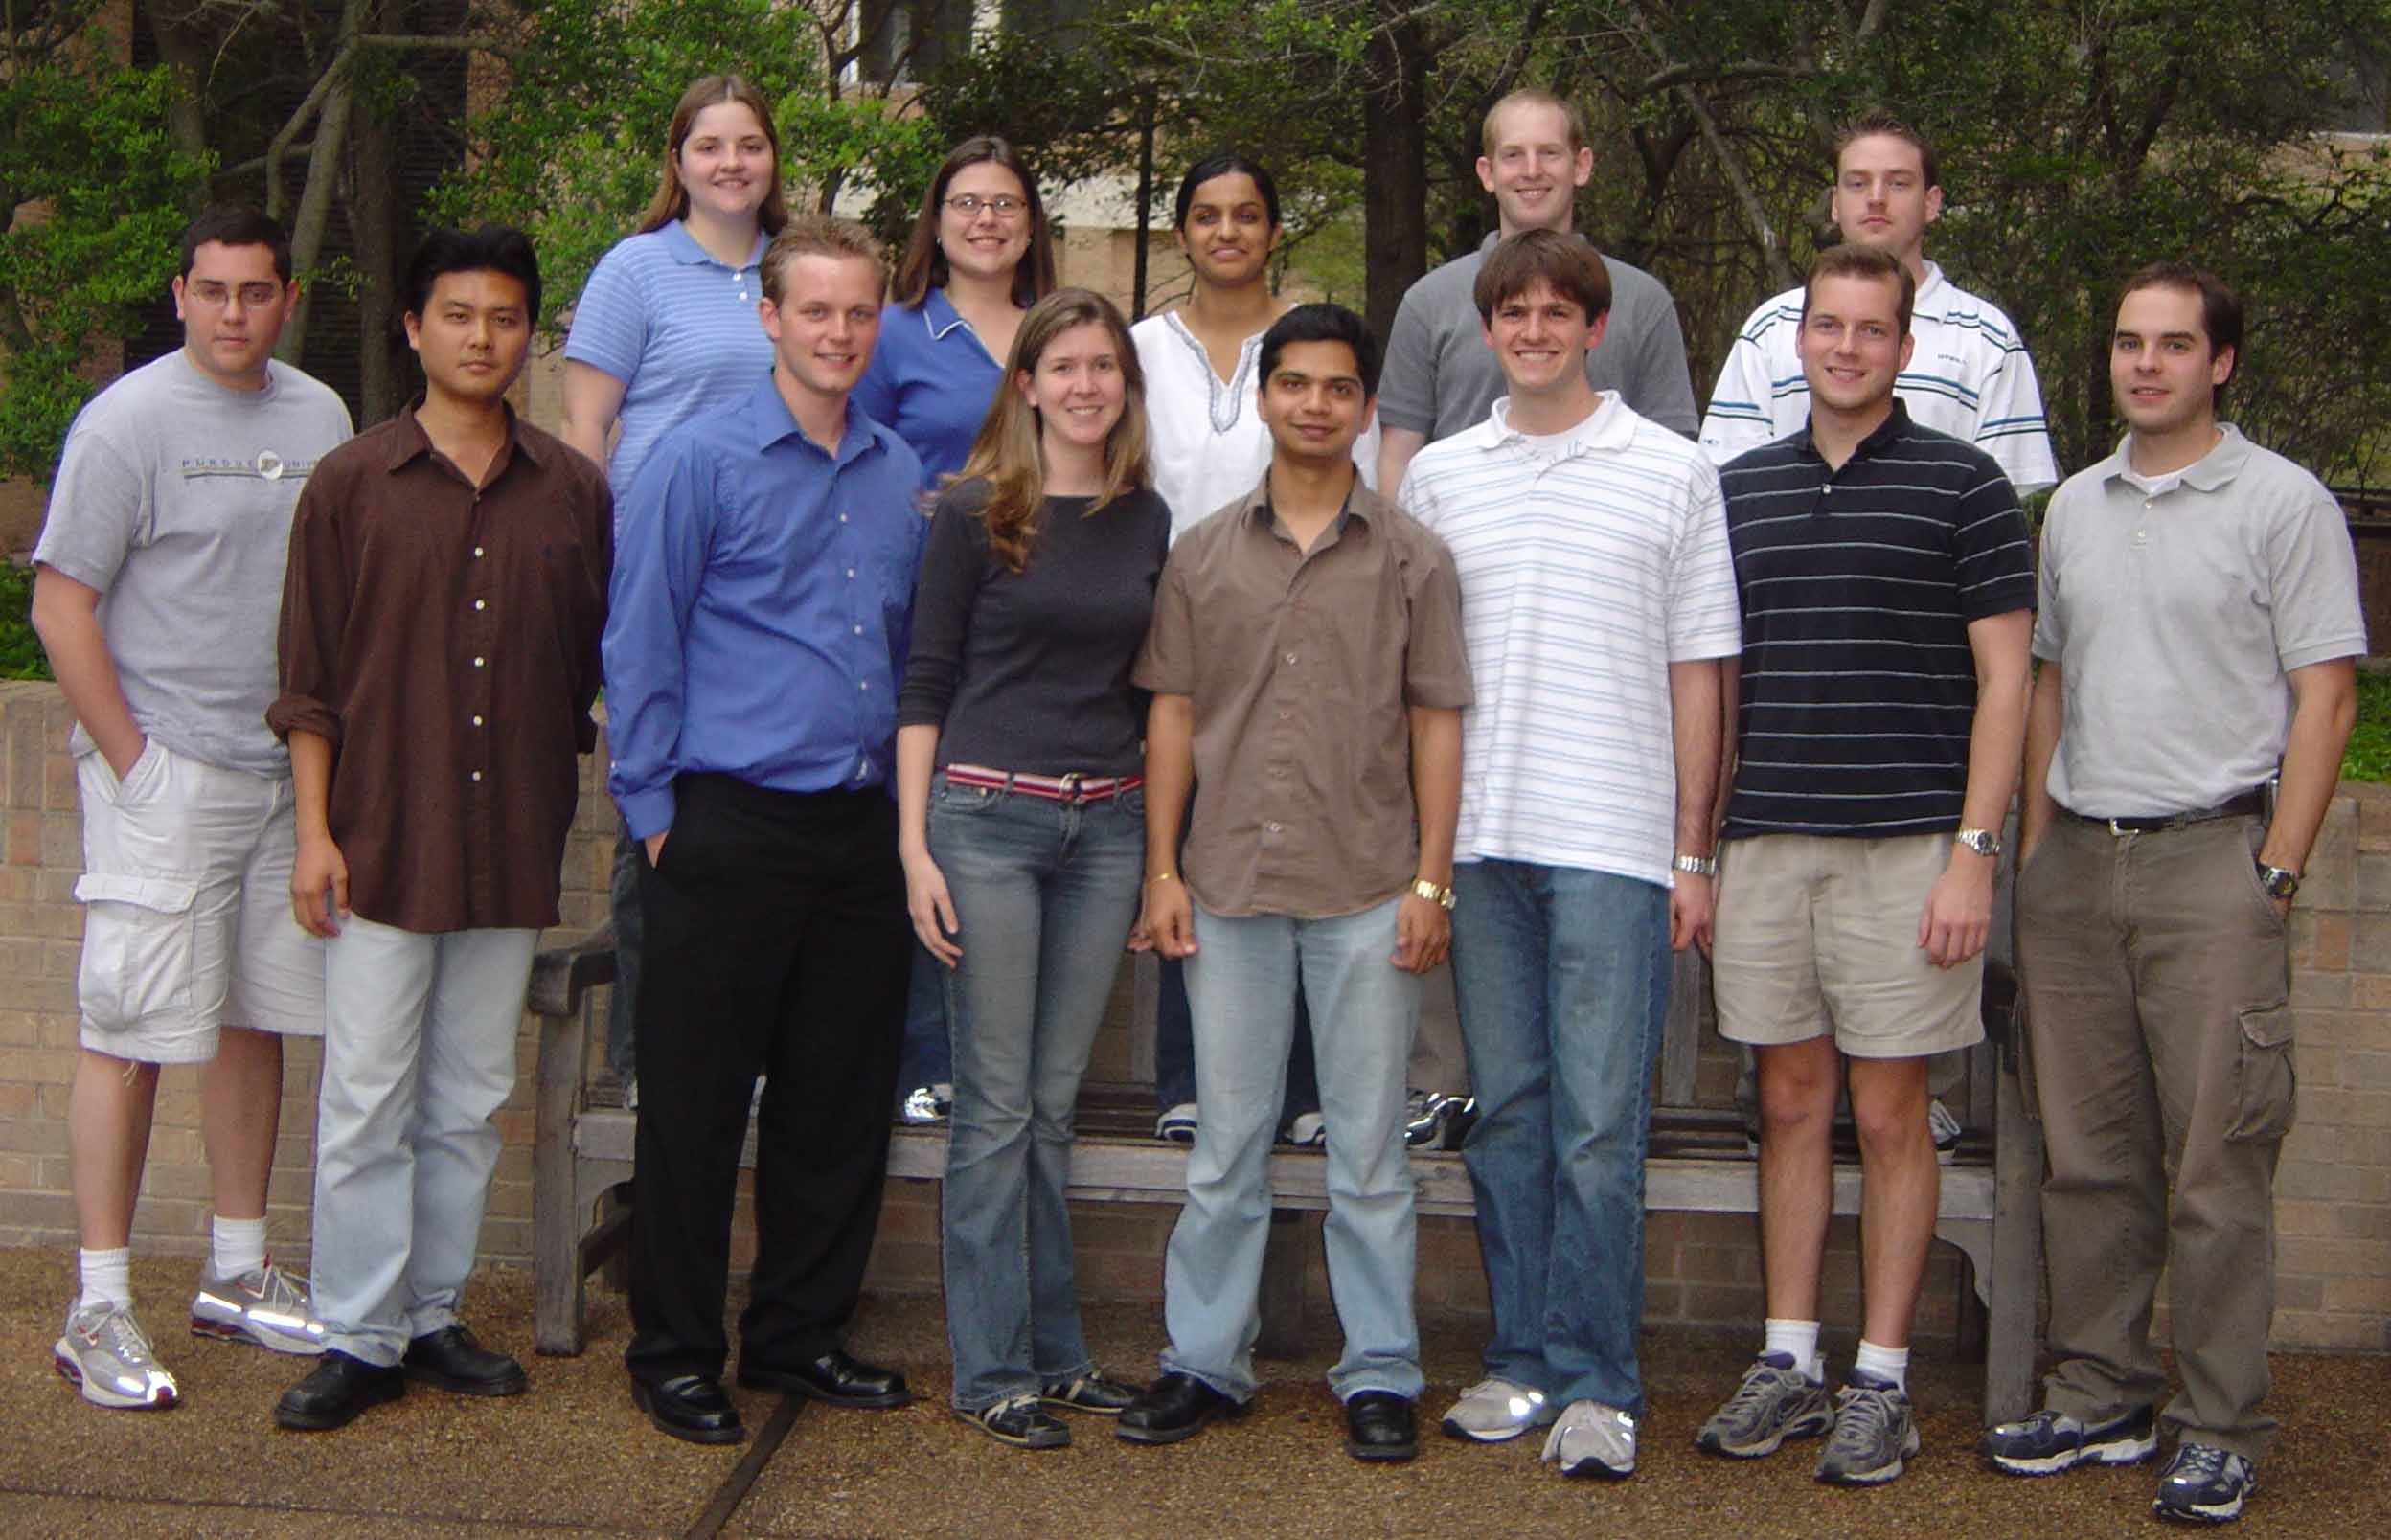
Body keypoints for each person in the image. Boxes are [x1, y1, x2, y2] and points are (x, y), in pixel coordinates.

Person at [1981, 263, 2361, 1525]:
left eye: (2175, 345)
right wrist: (2037, 846)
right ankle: (2101, 1389)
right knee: (2088, 1162)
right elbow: (2044, 679)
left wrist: (2277, 871)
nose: (2146, 364)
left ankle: (2218, 1421)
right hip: (2079, 861)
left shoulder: (2283, 503)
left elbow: (2327, 694)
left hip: (2213, 863)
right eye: (2129, 344)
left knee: (2215, 1165)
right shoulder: (2075, 509)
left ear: (2222, 363)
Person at [1400, 230, 1739, 1478]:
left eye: (1559, 312)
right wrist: (1423, 854)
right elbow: (1419, 680)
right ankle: (1524, 1362)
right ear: (1490, 331)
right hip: (1482, 843)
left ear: (1597, 328)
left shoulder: (1673, 471)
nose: (1536, 329)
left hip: (1614, 846)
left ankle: (1603, 1378)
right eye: (1516, 313)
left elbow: (1701, 669)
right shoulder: (1439, 475)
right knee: (1513, 1116)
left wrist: (1691, 850)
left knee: (1599, 1124)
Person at [1694, 244, 2032, 1485]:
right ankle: (1789, 1359)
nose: (1846, 347)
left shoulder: (1965, 488)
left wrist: (1974, 857)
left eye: (1870, 330)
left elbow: (2007, 682)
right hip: (1770, 842)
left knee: (1890, 1112)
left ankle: (1881, 1378)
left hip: (1908, 855)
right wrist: (1705, 848)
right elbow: (1714, 687)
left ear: (1903, 347)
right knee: (1787, 1105)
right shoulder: (1744, 492)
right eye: (1826, 327)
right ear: (1801, 344)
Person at [268, 225, 611, 1431]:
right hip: (377, 835)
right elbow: (309, 678)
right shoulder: (352, 484)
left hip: (510, 837)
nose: (484, 337)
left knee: (466, 1094)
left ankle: (428, 1312)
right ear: (414, 328)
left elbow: (583, 668)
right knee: (364, 1095)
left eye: (506, 317)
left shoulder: (573, 492)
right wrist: (315, 831)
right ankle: (357, 1335)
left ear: (531, 335)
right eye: (459, 314)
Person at [1116, 303, 1470, 1464]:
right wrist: (1161, 870)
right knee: (1228, 1146)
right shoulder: (1203, 552)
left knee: (1370, 1154)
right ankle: (1204, 1363)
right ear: (1265, 398)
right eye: (1295, 384)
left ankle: (1378, 1372)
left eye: (1338, 388)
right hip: (1226, 885)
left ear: (1366, 409)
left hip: (1369, 885)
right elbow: (1170, 718)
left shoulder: (1413, 556)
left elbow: (1435, 725)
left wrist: (1432, 884)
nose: (1315, 405)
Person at [603, 215, 926, 1447]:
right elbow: (639, 639)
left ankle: (797, 1334)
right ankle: (674, 1351)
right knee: (692, 1103)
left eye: (858, 314)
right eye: (816, 312)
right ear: (770, 319)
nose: (838, 334)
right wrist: (656, 821)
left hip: (858, 834)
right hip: (723, 824)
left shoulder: (899, 472)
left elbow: (904, 658)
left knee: (836, 1104)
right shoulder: (698, 460)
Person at [32, 206, 352, 1410]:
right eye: (212, 291)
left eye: (256, 292)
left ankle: (236, 1271)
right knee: (128, 1030)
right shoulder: (126, 422)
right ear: (179, 294)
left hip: (281, 777)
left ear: (287, 295)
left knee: (251, 1021)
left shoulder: (319, 416)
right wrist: (135, 762)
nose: (234, 313)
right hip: (165, 778)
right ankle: (98, 1305)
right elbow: (63, 605)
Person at [1132, 152, 1464, 1151]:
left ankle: (1316, 1088)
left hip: (1320, 604)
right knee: (1201, 854)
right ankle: (1190, 1082)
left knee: (1321, 852)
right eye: (1204, 215)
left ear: (1275, 229)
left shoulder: (1314, 344)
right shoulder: (1143, 347)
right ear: (1181, 231)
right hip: (1187, 608)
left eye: (1246, 215)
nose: (1226, 231)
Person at [896, 288, 1168, 1449]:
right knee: (995, 1108)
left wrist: (1158, 854)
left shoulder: (1146, 519)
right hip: (988, 825)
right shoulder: (972, 512)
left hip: (1104, 832)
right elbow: (925, 684)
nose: (1085, 385)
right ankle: (991, 1368)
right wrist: (913, 847)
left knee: (1050, 1107)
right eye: (1063, 366)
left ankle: (1058, 1358)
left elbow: (1159, 700)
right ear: (1027, 383)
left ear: (1124, 386)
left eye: (1104, 366)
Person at [561, 74, 789, 1108]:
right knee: (659, 811)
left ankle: (756, 1052)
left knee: (763, 817)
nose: (731, 163)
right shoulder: (636, 270)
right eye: (710, 146)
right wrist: (609, 580)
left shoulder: (796, 271)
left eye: (749, 144)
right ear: (679, 159)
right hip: (663, 581)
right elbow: (585, 435)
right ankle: (651, 1069)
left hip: (776, 586)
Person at [854, 135, 1060, 1127]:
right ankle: (922, 1064)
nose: (987, 220)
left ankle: (980, 1068)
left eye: (1006, 205)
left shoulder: (1048, 333)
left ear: (1031, 226)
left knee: (984, 836)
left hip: (1029, 626)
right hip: (919, 612)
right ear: (934, 223)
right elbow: (855, 457)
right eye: (967, 203)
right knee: (925, 829)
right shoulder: (895, 332)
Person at [1699, 112, 2060, 495]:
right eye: (1858, 183)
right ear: (1836, 204)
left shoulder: (1987, 339)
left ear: (1931, 202)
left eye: (1898, 183)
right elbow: (1729, 488)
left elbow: (2002, 501)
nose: (1876, 198)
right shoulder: (1771, 327)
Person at [1377, 87, 1698, 495]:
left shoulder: (1642, 301)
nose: (1531, 170)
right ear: (1487, 172)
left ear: (1581, 166)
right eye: (1512, 155)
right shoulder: (1428, 302)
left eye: (1549, 153)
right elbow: (1398, 455)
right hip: (1460, 546)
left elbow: (1674, 451)